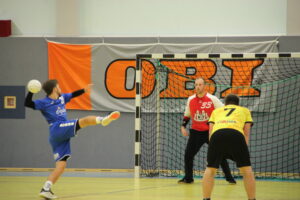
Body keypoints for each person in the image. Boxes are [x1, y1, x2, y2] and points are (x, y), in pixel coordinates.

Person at [24, 79, 120, 199]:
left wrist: (84, 90)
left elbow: (73, 94)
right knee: (83, 121)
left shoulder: (62, 98)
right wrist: (31, 91)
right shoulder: (44, 102)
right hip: (57, 128)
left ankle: (46, 189)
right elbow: (27, 103)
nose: (60, 89)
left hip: (58, 137)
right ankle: (103, 120)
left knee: (61, 166)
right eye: (58, 87)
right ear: (54, 89)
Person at [178, 77, 235, 184]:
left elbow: (223, 110)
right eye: (196, 85)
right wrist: (183, 126)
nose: (198, 87)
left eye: (200, 85)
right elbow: (187, 115)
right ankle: (188, 178)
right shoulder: (190, 99)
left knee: (220, 154)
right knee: (188, 155)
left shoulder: (212, 99)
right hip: (196, 132)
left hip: (211, 132)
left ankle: (230, 178)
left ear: (204, 86)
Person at [202, 94, 256, 200]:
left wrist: (213, 148)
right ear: (237, 104)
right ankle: (252, 199)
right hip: (236, 135)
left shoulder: (216, 111)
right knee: (246, 170)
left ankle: (206, 198)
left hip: (217, 135)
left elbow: (210, 133)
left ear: (225, 104)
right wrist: (242, 151)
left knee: (210, 169)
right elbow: (246, 133)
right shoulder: (245, 110)